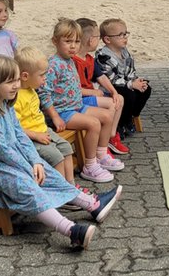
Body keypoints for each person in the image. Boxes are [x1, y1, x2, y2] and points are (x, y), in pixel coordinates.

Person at [0, 55, 122, 249]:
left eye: (16, 80)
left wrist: (36, 161)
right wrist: (29, 167)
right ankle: (71, 231)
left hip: (12, 157)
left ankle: (93, 204)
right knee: (27, 186)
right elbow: (2, 151)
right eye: (9, 82)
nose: (16, 86)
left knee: (49, 173)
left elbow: (20, 136)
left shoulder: (5, 104)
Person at [38, 18, 124, 184]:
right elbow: (43, 93)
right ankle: (89, 166)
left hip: (75, 106)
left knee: (107, 116)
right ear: (55, 41)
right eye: (68, 41)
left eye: (77, 42)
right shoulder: (53, 65)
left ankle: (101, 154)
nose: (73, 46)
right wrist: (54, 116)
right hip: (62, 112)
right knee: (93, 124)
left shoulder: (69, 61)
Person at [13, 46, 82, 190]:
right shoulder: (15, 97)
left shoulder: (31, 89)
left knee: (66, 148)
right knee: (55, 156)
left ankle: (71, 187)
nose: (45, 78)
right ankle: (61, 191)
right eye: (42, 75)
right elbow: (14, 127)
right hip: (30, 138)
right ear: (25, 76)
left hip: (43, 130)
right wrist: (35, 135)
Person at [74, 18, 129, 155]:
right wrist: (92, 92)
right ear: (90, 40)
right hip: (80, 98)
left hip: (90, 95)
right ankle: (102, 143)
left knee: (119, 99)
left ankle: (111, 135)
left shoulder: (89, 59)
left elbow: (101, 77)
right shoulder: (73, 62)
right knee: (111, 104)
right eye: (98, 37)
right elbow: (72, 89)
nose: (99, 41)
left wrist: (113, 91)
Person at [96, 18, 152, 138]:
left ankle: (130, 117)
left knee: (146, 89)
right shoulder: (103, 56)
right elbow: (111, 79)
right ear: (107, 39)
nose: (125, 37)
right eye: (120, 35)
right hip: (110, 88)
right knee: (129, 95)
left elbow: (130, 70)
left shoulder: (125, 52)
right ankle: (120, 123)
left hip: (125, 84)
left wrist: (135, 81)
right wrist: (131, 84)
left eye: (126, 34)